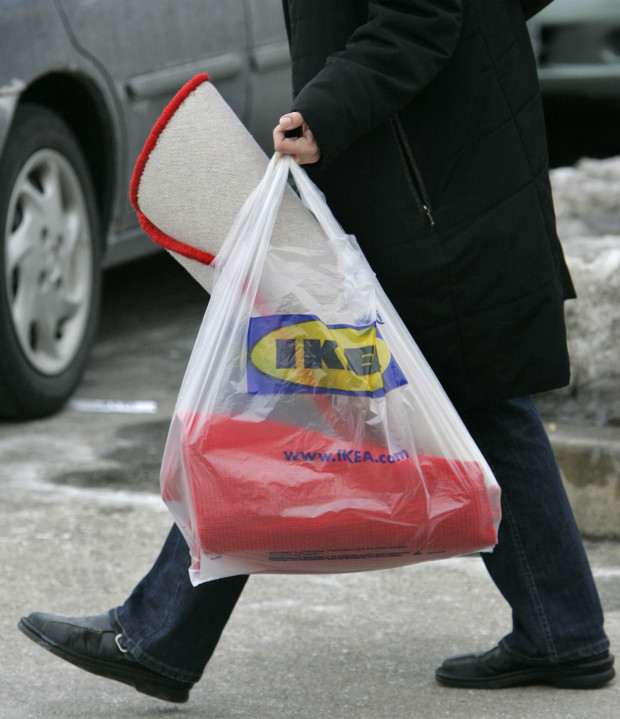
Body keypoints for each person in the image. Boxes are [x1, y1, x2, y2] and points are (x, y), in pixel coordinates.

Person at [18, 0, 614, 703]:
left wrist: (325, 111)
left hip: (425, 184)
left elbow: (419, 18)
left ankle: (160, 634)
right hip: (438, 164)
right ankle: (562, 627)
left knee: (294, 381)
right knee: (461, 391)